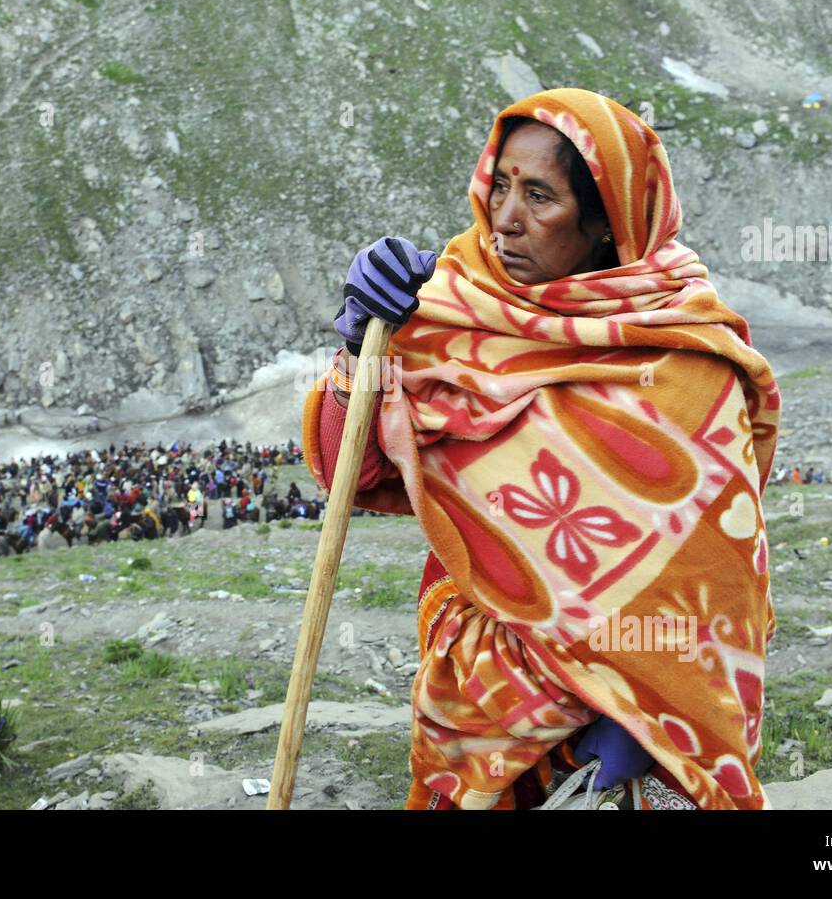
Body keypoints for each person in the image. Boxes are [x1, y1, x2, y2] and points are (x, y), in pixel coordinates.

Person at [304, 89, 781, 810]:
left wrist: (644, 712)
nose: (505, 218)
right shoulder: (454, 305)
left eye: (539, 196)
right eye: (498, 185)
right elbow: (352, 468)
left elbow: (718, 574)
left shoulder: (687, 357)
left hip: (632, 724)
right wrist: (361, 344)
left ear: (605, 221)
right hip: (483, 691)